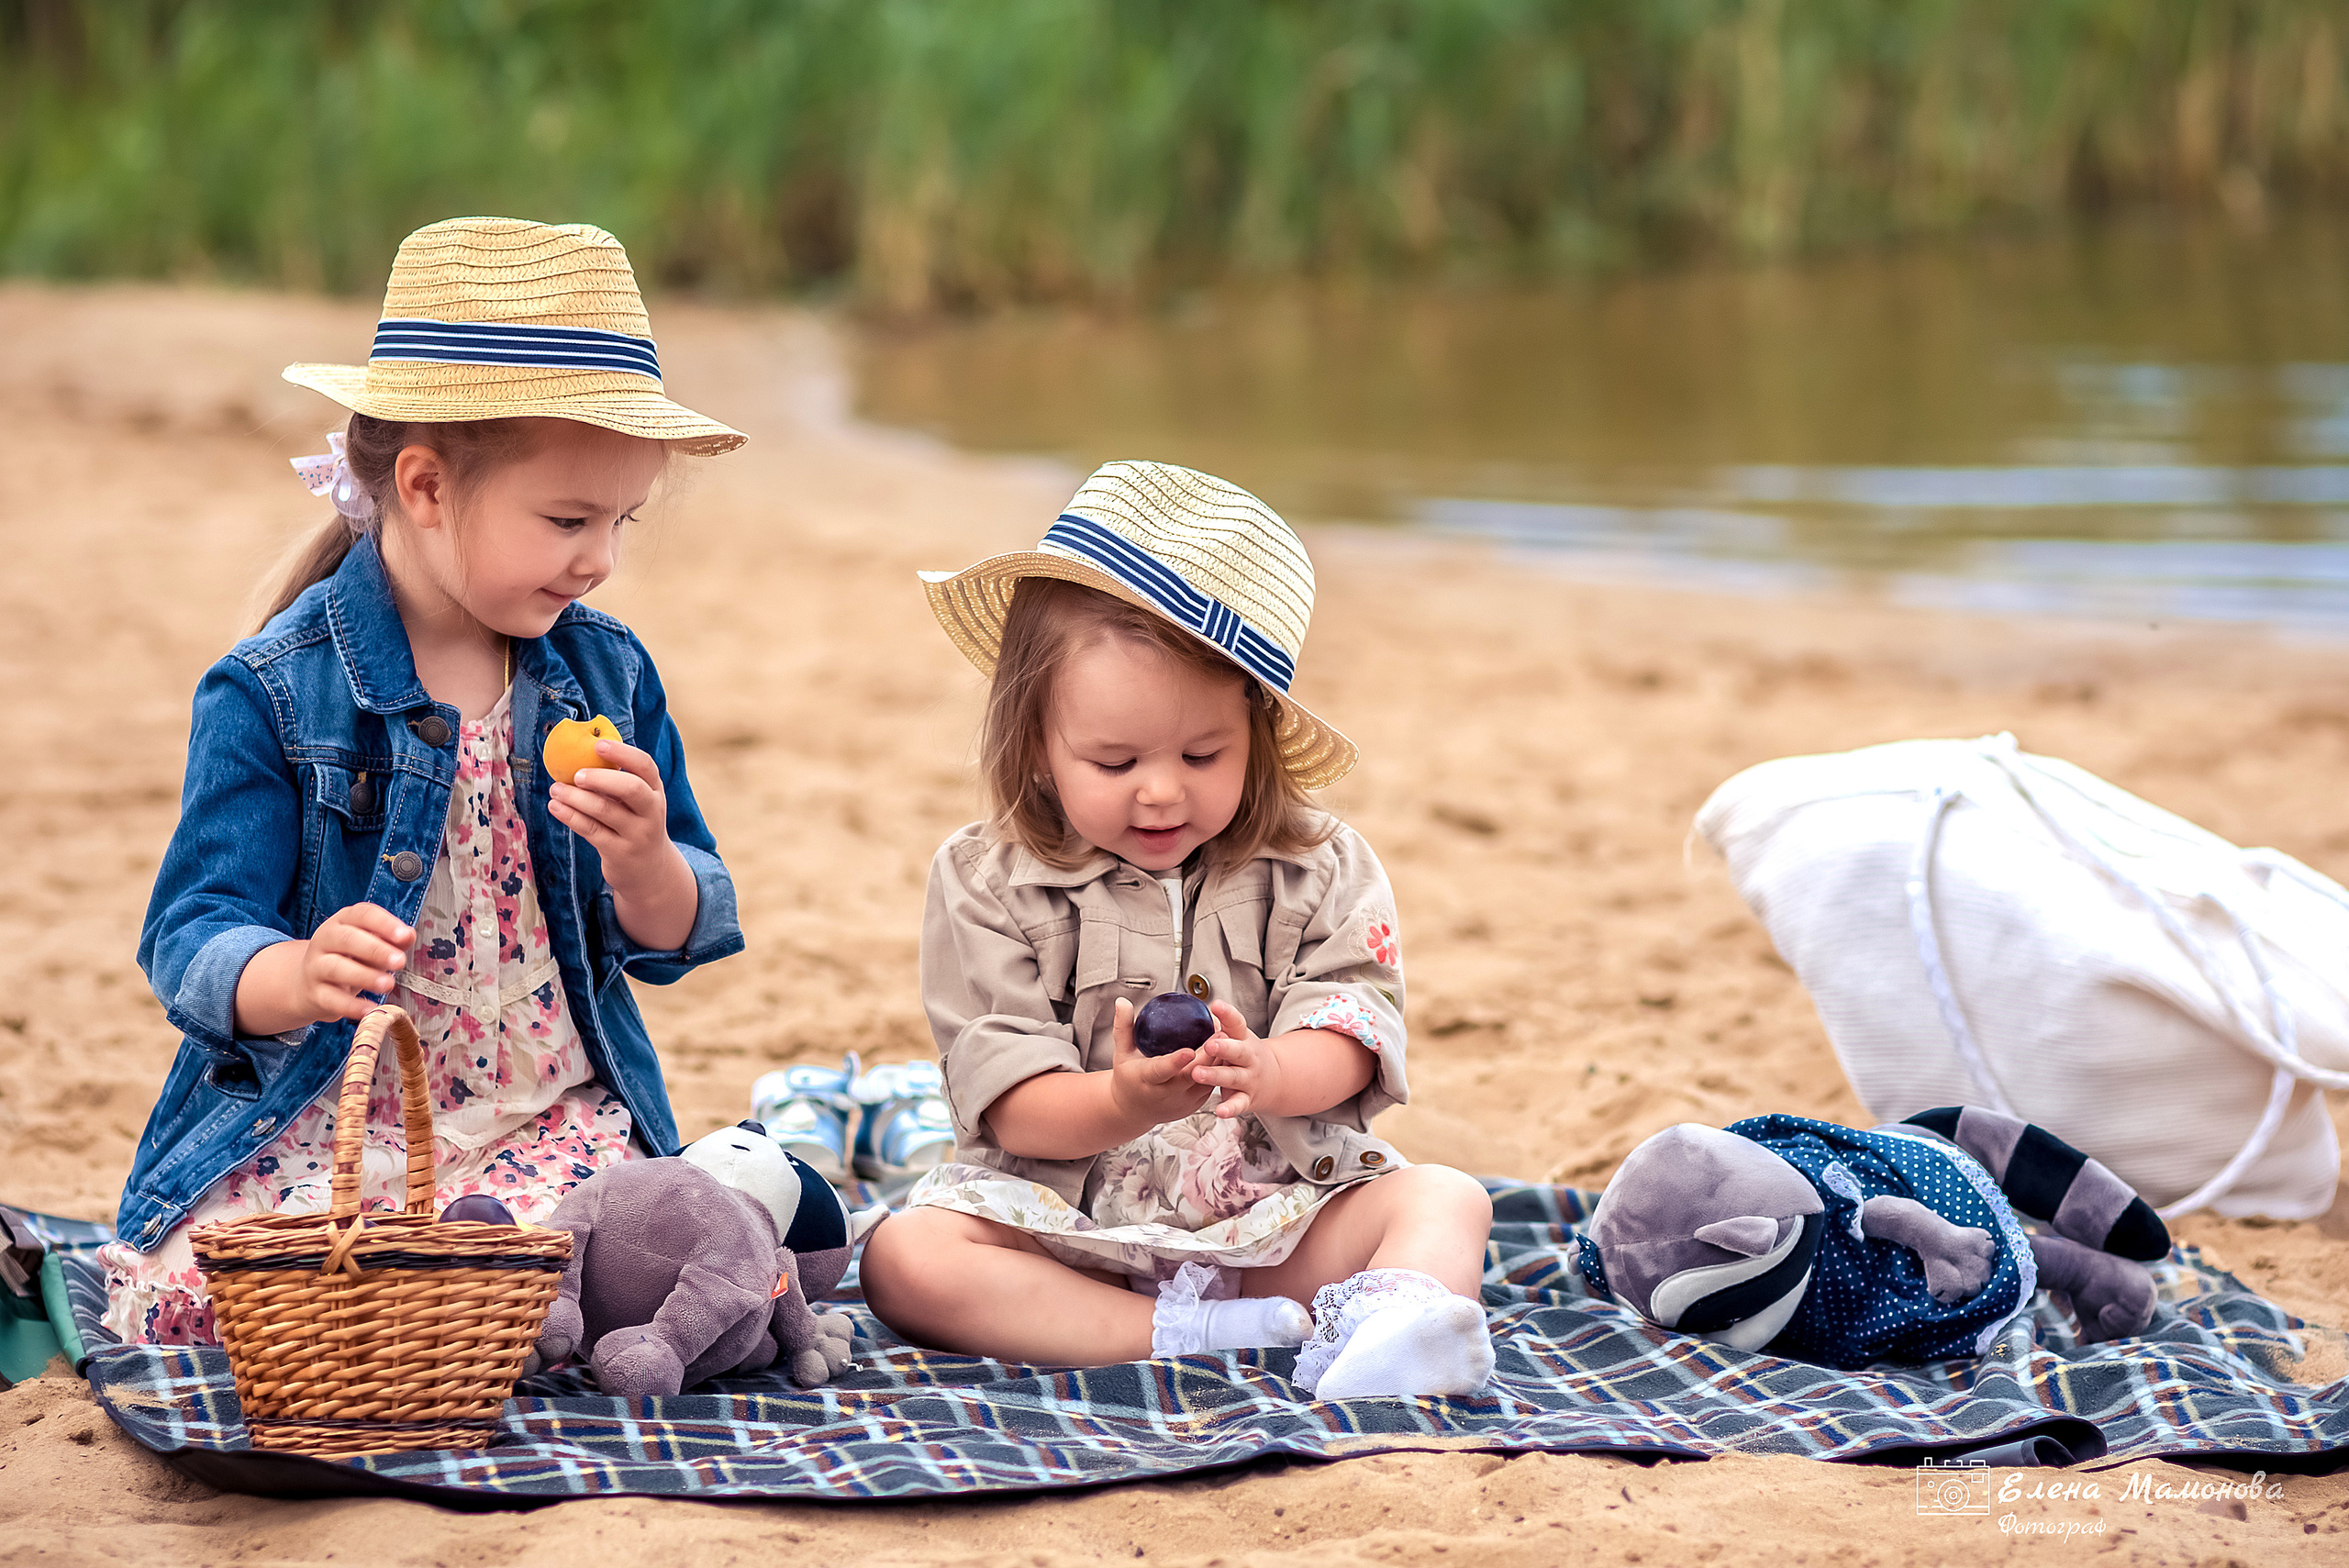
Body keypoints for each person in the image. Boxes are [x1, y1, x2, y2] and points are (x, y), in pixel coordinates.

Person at [101, 217, 747, 1345]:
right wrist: (291, 972)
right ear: (427, 486)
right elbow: (189, 934)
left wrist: (645, 860)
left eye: (618, 522)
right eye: (566, 519)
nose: (599, 558)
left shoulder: (607, 672)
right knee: (226, 1298)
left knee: (659, 1246)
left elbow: (676, 932)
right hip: (333, 1125)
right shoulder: (273, 688)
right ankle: (482, 1288)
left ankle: (501, 1279)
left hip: (550, 1117)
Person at [860, 462, 1497, 1400]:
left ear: (1259, 734)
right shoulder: (983, 876)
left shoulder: (1318, 864)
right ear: (1035, 740)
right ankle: (1181, 1331)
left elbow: (1355, 1027)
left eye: (1203, 754)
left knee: (1449, 1197)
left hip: (1269, 1220)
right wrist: (1124, 1101)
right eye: (1113, 759)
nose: (1161, 789)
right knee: (906, 1257)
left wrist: (1273, 1069)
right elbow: (1008, 1095)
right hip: (1066, 1238)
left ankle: (1392, 1335)